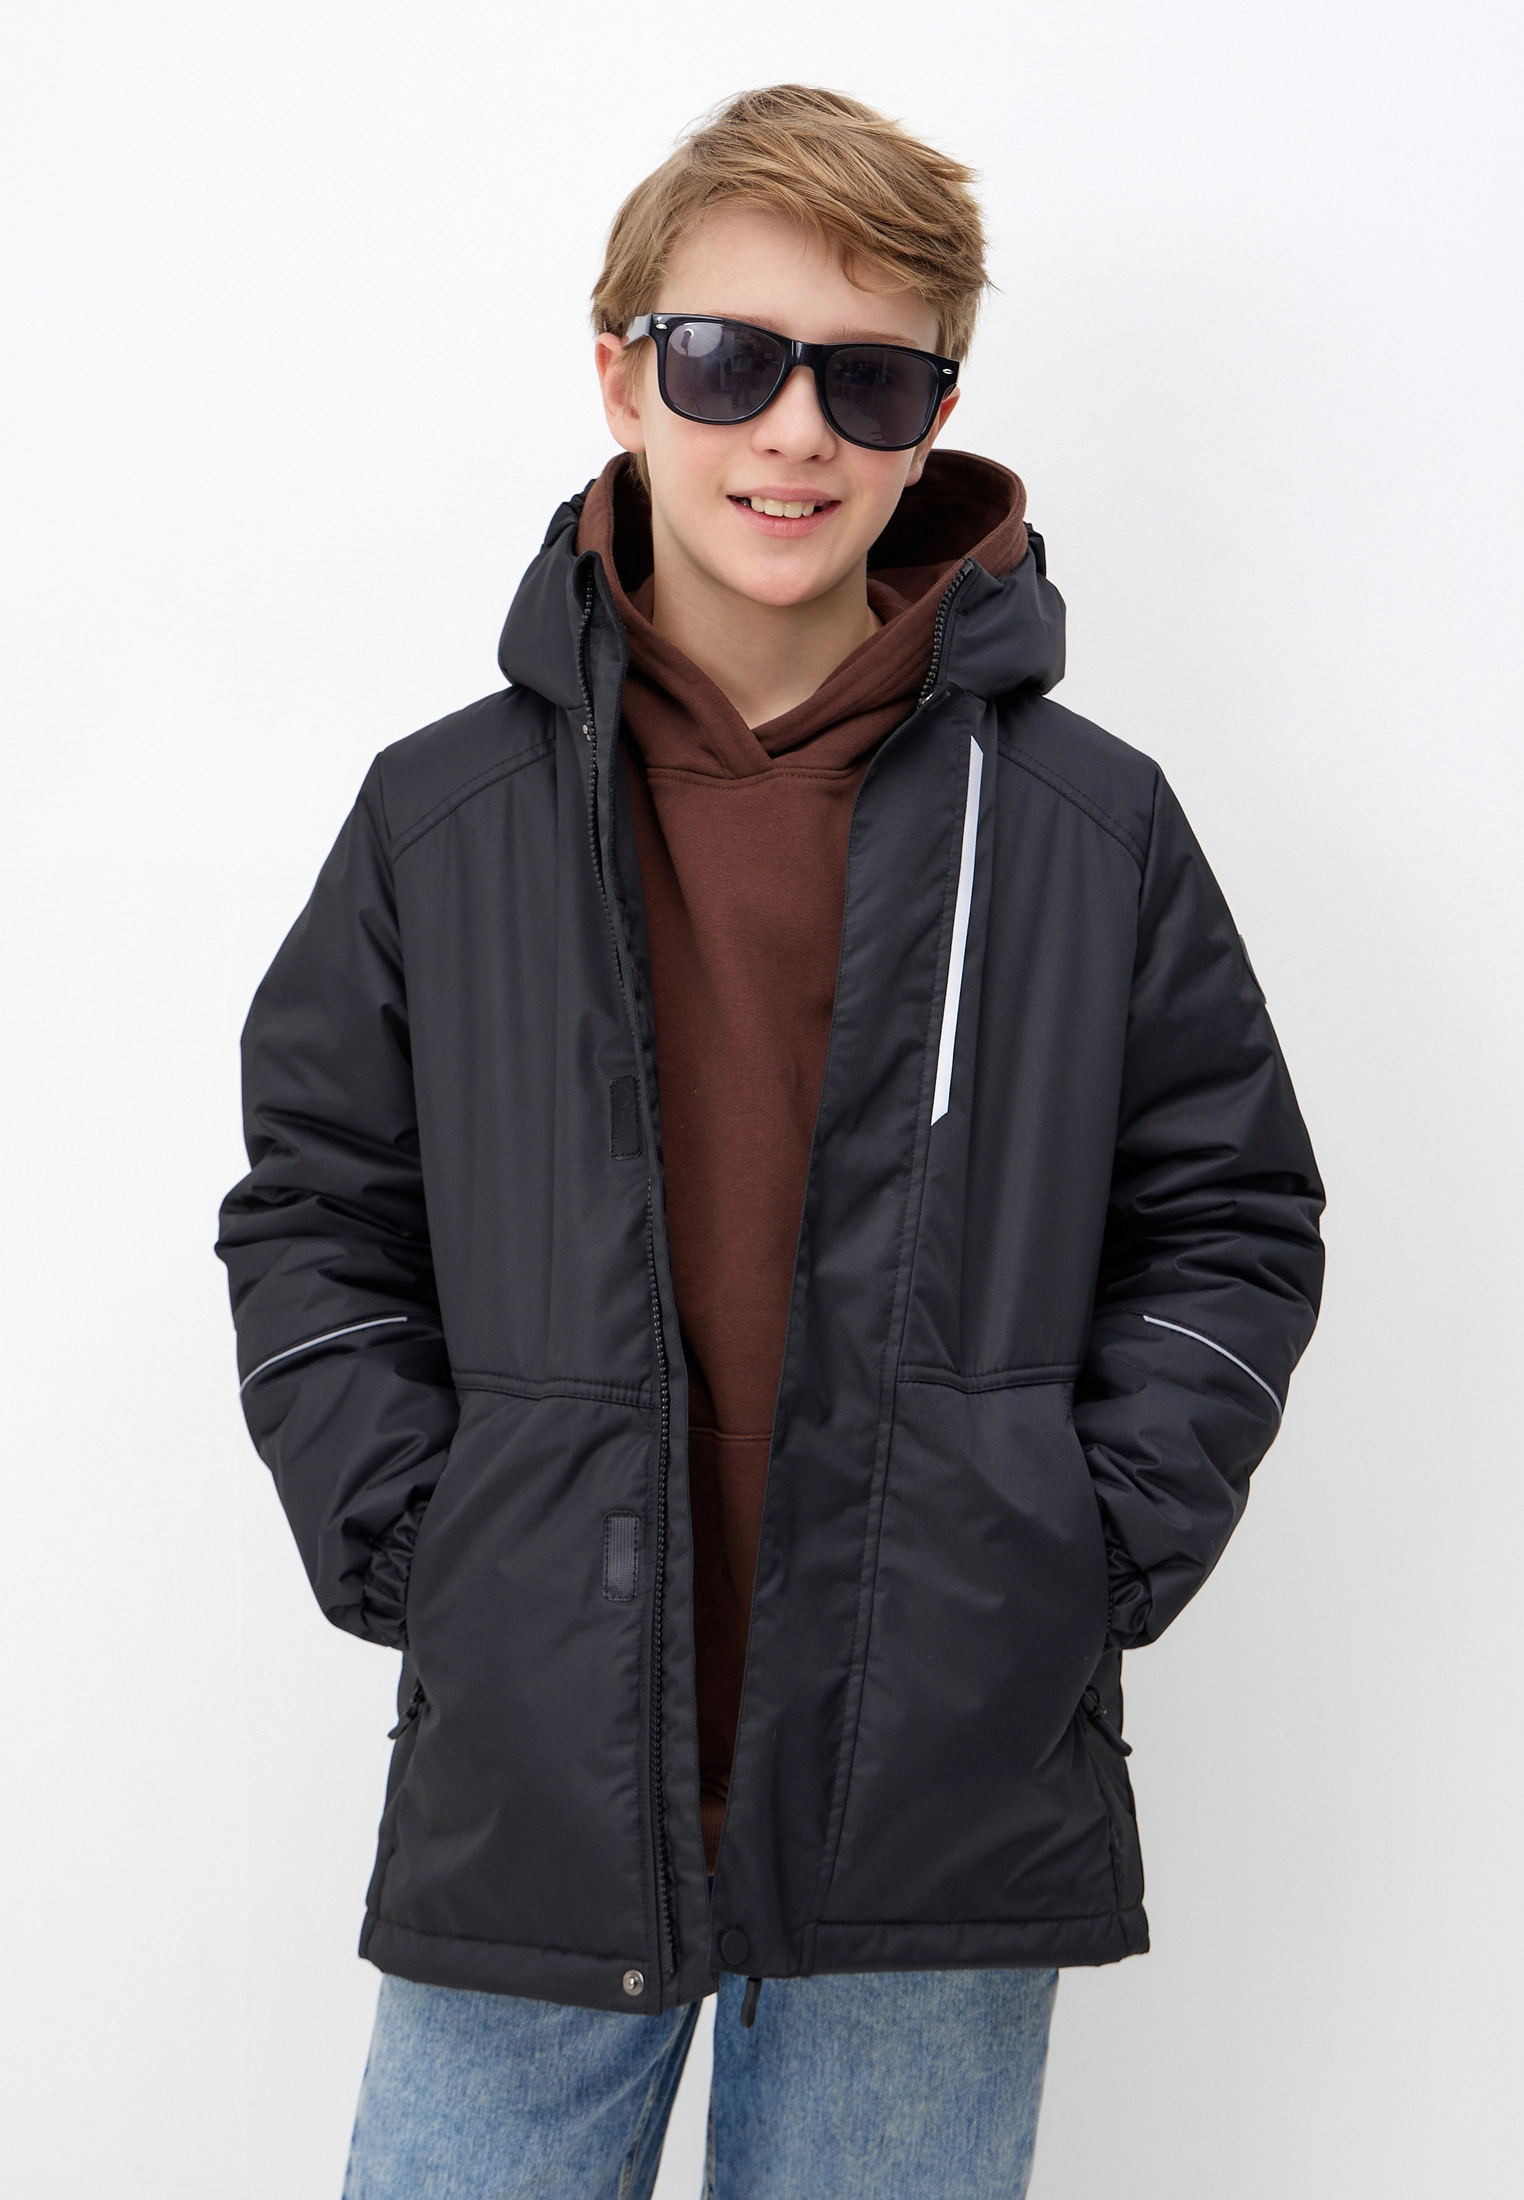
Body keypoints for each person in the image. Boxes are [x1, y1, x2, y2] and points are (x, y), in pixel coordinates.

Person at [217, 84, 1324, 2199]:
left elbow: (1233, 1212)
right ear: (621, 374)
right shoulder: (444, 818)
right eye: (730, 360)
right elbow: (315, 1205)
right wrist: (425, 1547)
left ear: (932, 420)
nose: (795, 432)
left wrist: (1072, 1552)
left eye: (869, 378)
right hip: (540, 1763)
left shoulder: (1080, 824)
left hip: (939, 1774)